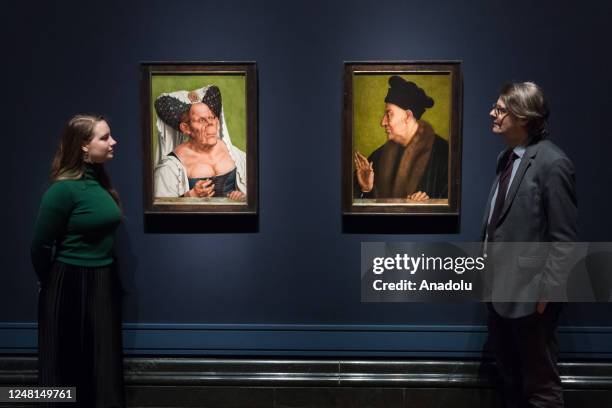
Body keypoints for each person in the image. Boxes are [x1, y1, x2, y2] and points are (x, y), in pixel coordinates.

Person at [482, 82, 577, 408]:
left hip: (532, 301)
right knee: (509, 381)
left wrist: (546, 296)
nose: (492, 114)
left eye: (499, 109)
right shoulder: (505, 159)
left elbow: (564, 239)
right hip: (499, 294)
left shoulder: (553, 163)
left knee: (541, 388)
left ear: (522, 117)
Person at [31, 115, 125, 407]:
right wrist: (49, 282)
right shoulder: (62, 190)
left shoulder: (99, 183)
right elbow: (40, 244)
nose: (113, 142)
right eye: (104, 137)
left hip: (102, 281)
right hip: (70, 284)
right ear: (84, 146)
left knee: (101, 363)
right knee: (65, 366)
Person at [354, 75, 448, 201]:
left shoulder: (445, 154)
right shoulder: (377, 158)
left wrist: (427, 208)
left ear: (408, 116)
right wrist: (366, 189)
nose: (382, 122)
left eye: (389, 114)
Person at [153, 85, 247, 200]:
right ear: (186, 128)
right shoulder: (170, 167)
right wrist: (190, 196)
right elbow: (160, 210)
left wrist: (241, 197)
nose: (210, 124)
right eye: (202, 120)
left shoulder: (236, 156)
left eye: (211, 117)